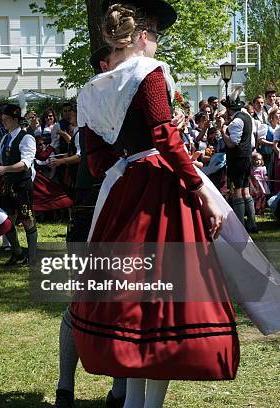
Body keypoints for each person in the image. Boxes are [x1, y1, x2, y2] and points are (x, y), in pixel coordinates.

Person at [71, 1, 240, 407]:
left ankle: (131, 402)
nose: (158, 44)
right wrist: (201, 190)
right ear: (144, 35)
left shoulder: (91, 89)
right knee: (165, 300)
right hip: (161, 193)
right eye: (158, 36)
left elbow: (95, 161)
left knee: (129, 299)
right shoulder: (151, 72)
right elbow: (165, 136)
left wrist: (130, 159)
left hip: (121, 192)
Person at [55, 45, 126, 408]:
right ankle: (65, 387)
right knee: (83, 299)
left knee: (126, 302)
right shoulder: (97, 92)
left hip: (126, 205)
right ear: (104, 63)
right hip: (94, 203)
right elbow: (99, 162)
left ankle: (120, 391)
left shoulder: (137, 85)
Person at [0, 103, 37, 265]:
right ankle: (17, 252)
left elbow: (25, 163)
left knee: (27, 218)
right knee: (6, 219)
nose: (3, 122)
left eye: (6, 119)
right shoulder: (5, 138)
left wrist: (4, 169)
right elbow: (0, 159)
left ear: (15, 119)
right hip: (8, 185)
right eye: (2, 120)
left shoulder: (26, 137)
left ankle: (33, 256)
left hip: (22, 184)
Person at [222, 90, 258, 232]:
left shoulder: (236, 121)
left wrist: (223, 130)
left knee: (238, 191)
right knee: (245, 190)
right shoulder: (247, 116)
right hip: (246, 157)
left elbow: (232, 143)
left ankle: (240, 227)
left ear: (230, 109)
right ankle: (252, 224)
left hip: (237, 159)